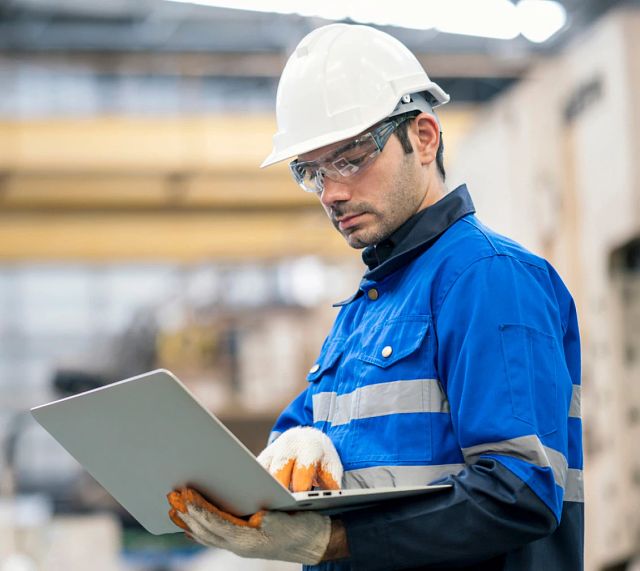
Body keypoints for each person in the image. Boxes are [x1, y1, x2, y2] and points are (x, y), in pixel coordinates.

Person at [167, 23, 584, 570]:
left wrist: (333, 542)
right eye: (311, 172)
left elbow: (518, 494)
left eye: (351, 158)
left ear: (425, 137)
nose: (332, 193)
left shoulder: (488, 278)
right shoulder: (366, 310)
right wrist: (295, 448)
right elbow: (300, 437)